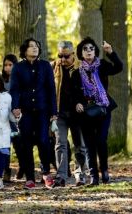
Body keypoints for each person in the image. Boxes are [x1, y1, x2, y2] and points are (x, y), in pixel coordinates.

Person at [72, 37, 123, 185]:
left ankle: (105, 170)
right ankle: (94, 176)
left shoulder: (102, 66)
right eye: (85, 49)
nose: (89, 51)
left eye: (91, 48)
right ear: (81, 53)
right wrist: (77, 103)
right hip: (86, 112)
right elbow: (74, 93)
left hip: (103, 109)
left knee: (101, 140)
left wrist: (111, 52)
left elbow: (119, 68)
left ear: (95, 51)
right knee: (89, 144)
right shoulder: (76, 74)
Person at [9, 38, 58, 189]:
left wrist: (53, 112)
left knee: (44, 141)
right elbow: (15, 89)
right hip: (26, 111)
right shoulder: (18, 68)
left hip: (43, 110)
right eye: (31, 46)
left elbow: (51, 89)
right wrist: (15, 106)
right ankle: (30, 178)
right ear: (24, 50)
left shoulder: (45, 66)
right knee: (26, 143)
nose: (34, 48)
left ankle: (46, 174)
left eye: (36, 46)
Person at [52, 40, 90, 187]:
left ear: (73, 54)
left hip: (77, 114)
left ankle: (80, 174)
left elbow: (90, 90)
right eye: (60, 56)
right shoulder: (53, 67)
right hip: (60, 113)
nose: (63, 59)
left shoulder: (82, 68)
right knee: (60, 143)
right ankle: (61, 176)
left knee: (79, 145)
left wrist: (83, 103)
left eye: (66, 56)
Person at [1, 54, 20, 182]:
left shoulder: (19, 79)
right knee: (5, 145)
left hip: (17, 117)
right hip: (3, 119)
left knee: (19, 145)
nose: (8, 68)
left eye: (10, 65)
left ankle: (22, 167)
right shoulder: (0, 81)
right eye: (6, 65)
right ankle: (5, 171)